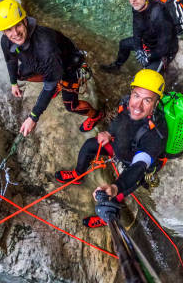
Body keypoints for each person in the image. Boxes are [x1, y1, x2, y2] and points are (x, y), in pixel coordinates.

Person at [54, 69, 168, 228]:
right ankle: (78, 175)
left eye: (147, 100)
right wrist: (109, 132)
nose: (138, 106)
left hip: (134, 163)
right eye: (136, 96)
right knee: (89, 146)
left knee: (114, 198)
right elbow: (120, 121)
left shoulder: (156, 134)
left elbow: (139, 166)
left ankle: (105, 218)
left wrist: (115, 187)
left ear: (155, 103)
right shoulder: (126, 102)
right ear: (132, 93)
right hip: (121, 147)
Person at [0, 0, 103, 136]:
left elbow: (48, 86)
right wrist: (13, 82)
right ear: (3, 32)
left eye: (18, 25)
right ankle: (56, 78)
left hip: (69, 66)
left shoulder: (45, 46)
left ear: (25, 21)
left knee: (71, 106)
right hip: (46, 63)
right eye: (9, 29)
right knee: (20, 74)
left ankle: (96, 115)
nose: (15, 33)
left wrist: (33, 117)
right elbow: (10, 60)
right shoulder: (6, 41)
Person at [100, 0, 178, 73]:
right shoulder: (137, 7)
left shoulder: (159, 14)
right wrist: (139, 50)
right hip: (148, 42)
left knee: (146, 80)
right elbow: (136, 30)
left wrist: (148, 57)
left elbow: (164, 47)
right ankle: (117, 66)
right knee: (123, 44)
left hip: (163, 51)